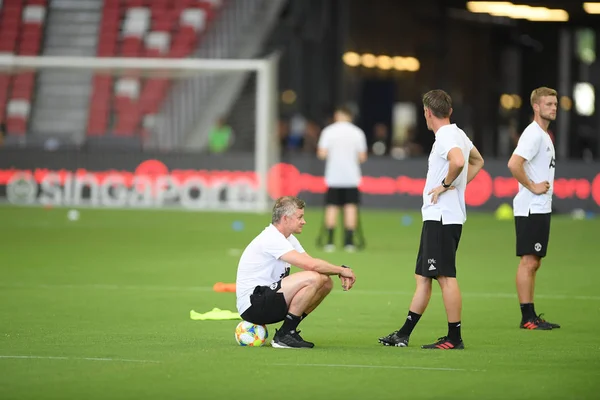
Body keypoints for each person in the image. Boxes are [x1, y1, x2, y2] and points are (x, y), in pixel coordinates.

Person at [378, 89, 484, 350]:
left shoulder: (447, 135)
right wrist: (458, 185)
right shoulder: (457, 133)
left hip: (441, 217)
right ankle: (403, 334)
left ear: (427, 112)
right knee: (422, 277)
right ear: (449, 110)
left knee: (445, 276)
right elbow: (477, 161)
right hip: (442, 217)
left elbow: (459, 161)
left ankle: (454, 338)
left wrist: (446, 184)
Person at [235, 196, 357, 349]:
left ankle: (288, 331)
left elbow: (311, 263)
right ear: (285, 219)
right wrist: (341, 270)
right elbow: (310, 265)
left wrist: (337, 271)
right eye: (300, 217)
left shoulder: (288, 238)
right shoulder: (271, 238)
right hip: (254, 305)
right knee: (313, 278)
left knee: (325, 282)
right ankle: (285, 336)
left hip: (269, 300)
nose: (304, 221)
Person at [507, 87, 560, 330]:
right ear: (536, 107)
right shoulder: (534, 134)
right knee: (529, 261)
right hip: (531, 207)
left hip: (539, 207)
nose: (554, 107)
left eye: (555, 103)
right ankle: (527, 318)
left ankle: (530, 315)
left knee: (534, 261)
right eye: (548, 104)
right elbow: (514, 164)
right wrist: (532, 186)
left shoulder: (544, 135)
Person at [317, 106, 368, 252]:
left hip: (333, 177)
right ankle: (349, 242)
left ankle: (330, 242)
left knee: (332, 207)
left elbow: (321, 154)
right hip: (351, 177)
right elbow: (362, 157)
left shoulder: (328, 131)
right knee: (350, 207)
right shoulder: (357, 132)